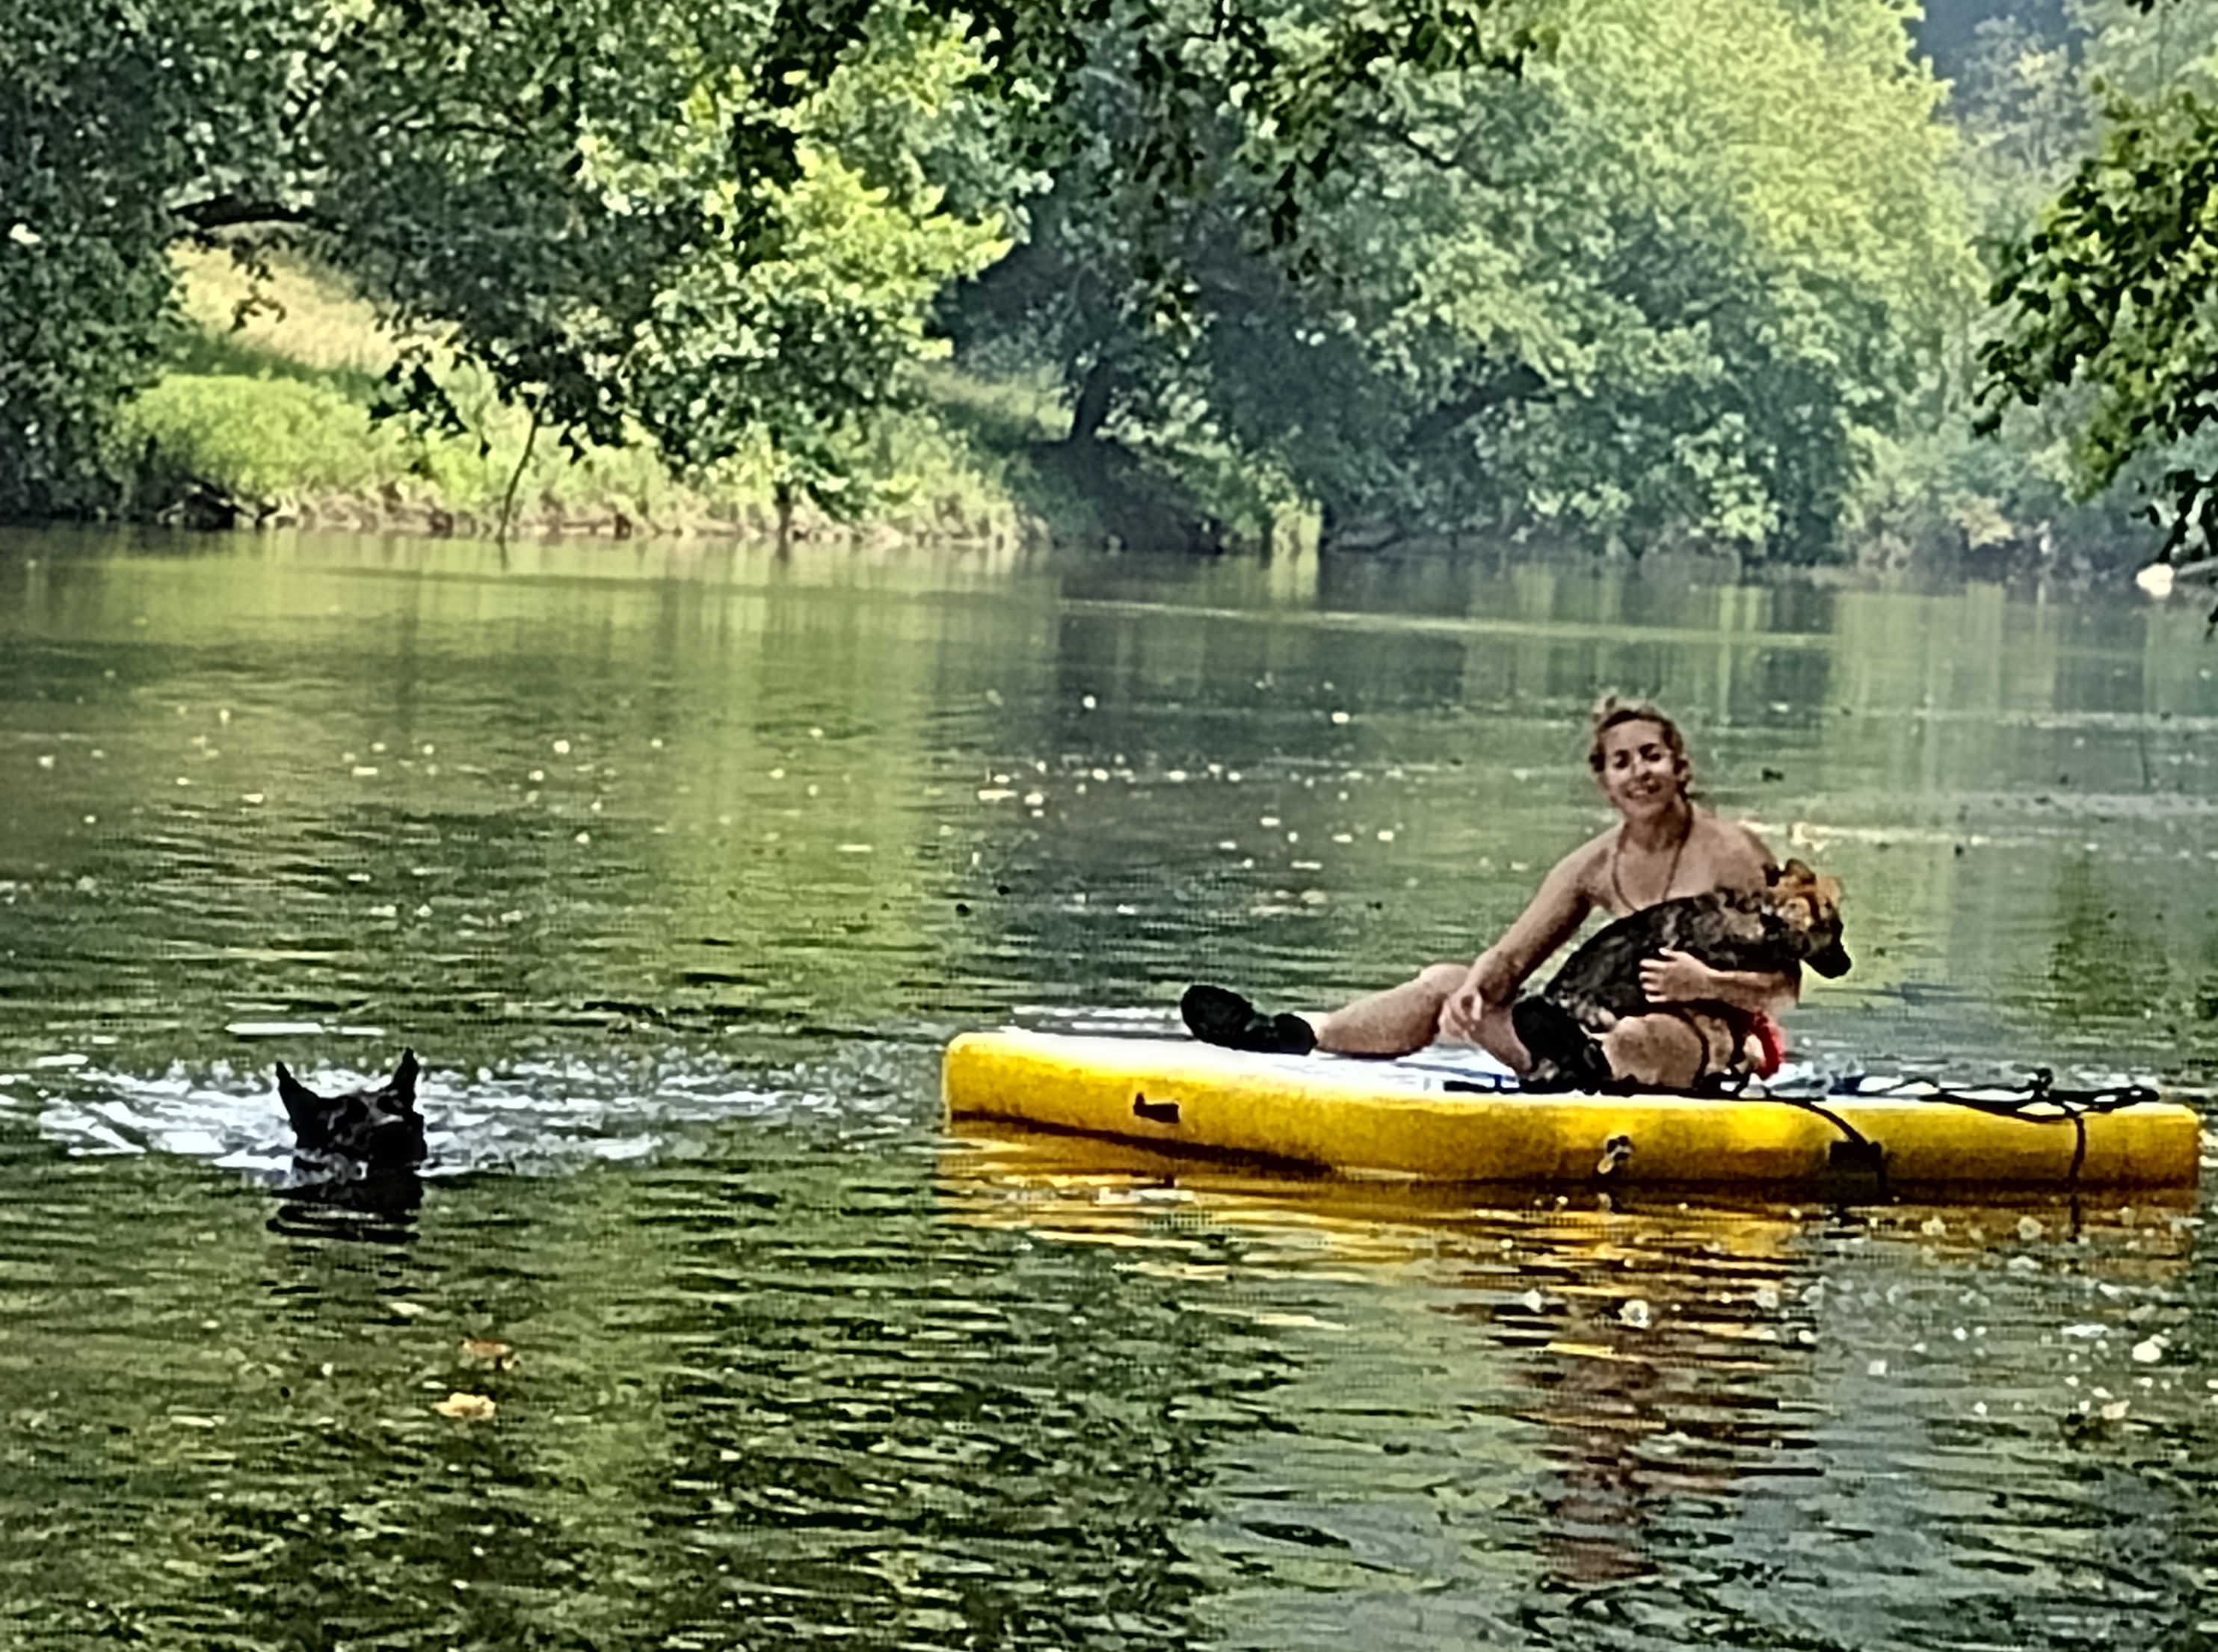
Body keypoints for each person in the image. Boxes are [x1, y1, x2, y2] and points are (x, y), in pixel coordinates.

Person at [1181, 696, 1799, 1088]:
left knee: (1637, 1040)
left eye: (1652, 757)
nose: (1640, 773)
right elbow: (1510, 959)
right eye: (1622, 763)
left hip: (1711, 1042)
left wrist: (1705, 984)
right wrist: (1475, 992)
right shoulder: (1591, 865)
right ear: (1603, 784)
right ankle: (1292, 1033)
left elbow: (1786, 986)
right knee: (1446, 982)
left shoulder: (1732, 854)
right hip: (1583, 1041)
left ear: (1679, 767)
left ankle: (1589, 1064)